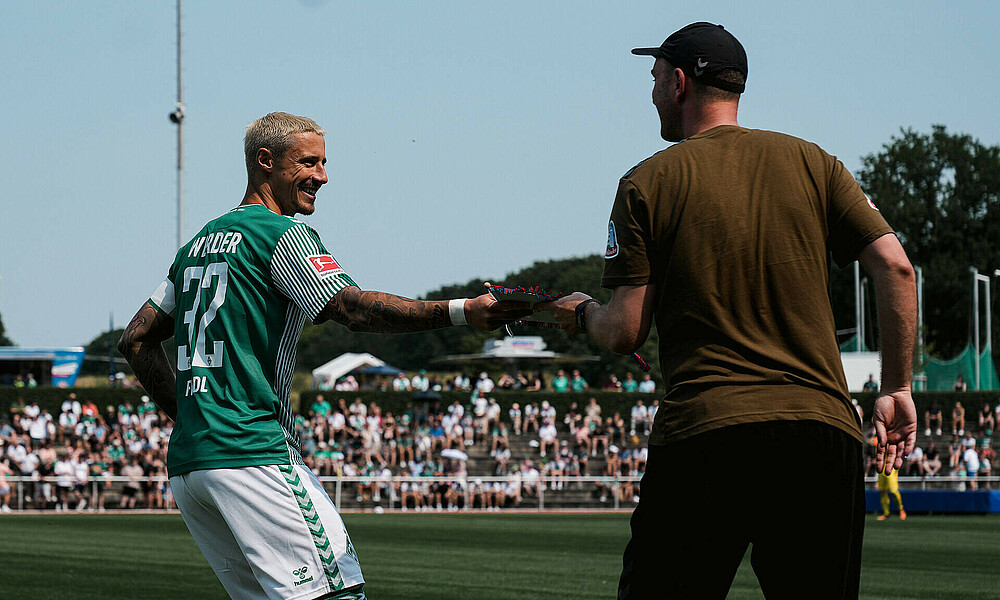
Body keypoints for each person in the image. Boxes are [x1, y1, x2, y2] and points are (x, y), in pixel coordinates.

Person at [537, 23, 916, 599]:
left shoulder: (646, 182)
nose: (652, 91)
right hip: (820, 433)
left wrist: (582, 312)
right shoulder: (817, 163)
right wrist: (897, 386)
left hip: (706, 432)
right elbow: (896, 268)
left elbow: (624, 330)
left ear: (680, 83)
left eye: (656, 77)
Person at [117, 112, 528, 600]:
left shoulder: (196, 246)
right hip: (254, 454)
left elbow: (135, 339)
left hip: (191, 466)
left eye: (324, 163)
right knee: (338, 594)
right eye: (308, 162)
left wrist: (190, 417)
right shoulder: (281, 234)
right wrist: (463, 311)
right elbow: (353, 310)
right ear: (265, 161)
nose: (323, 176)